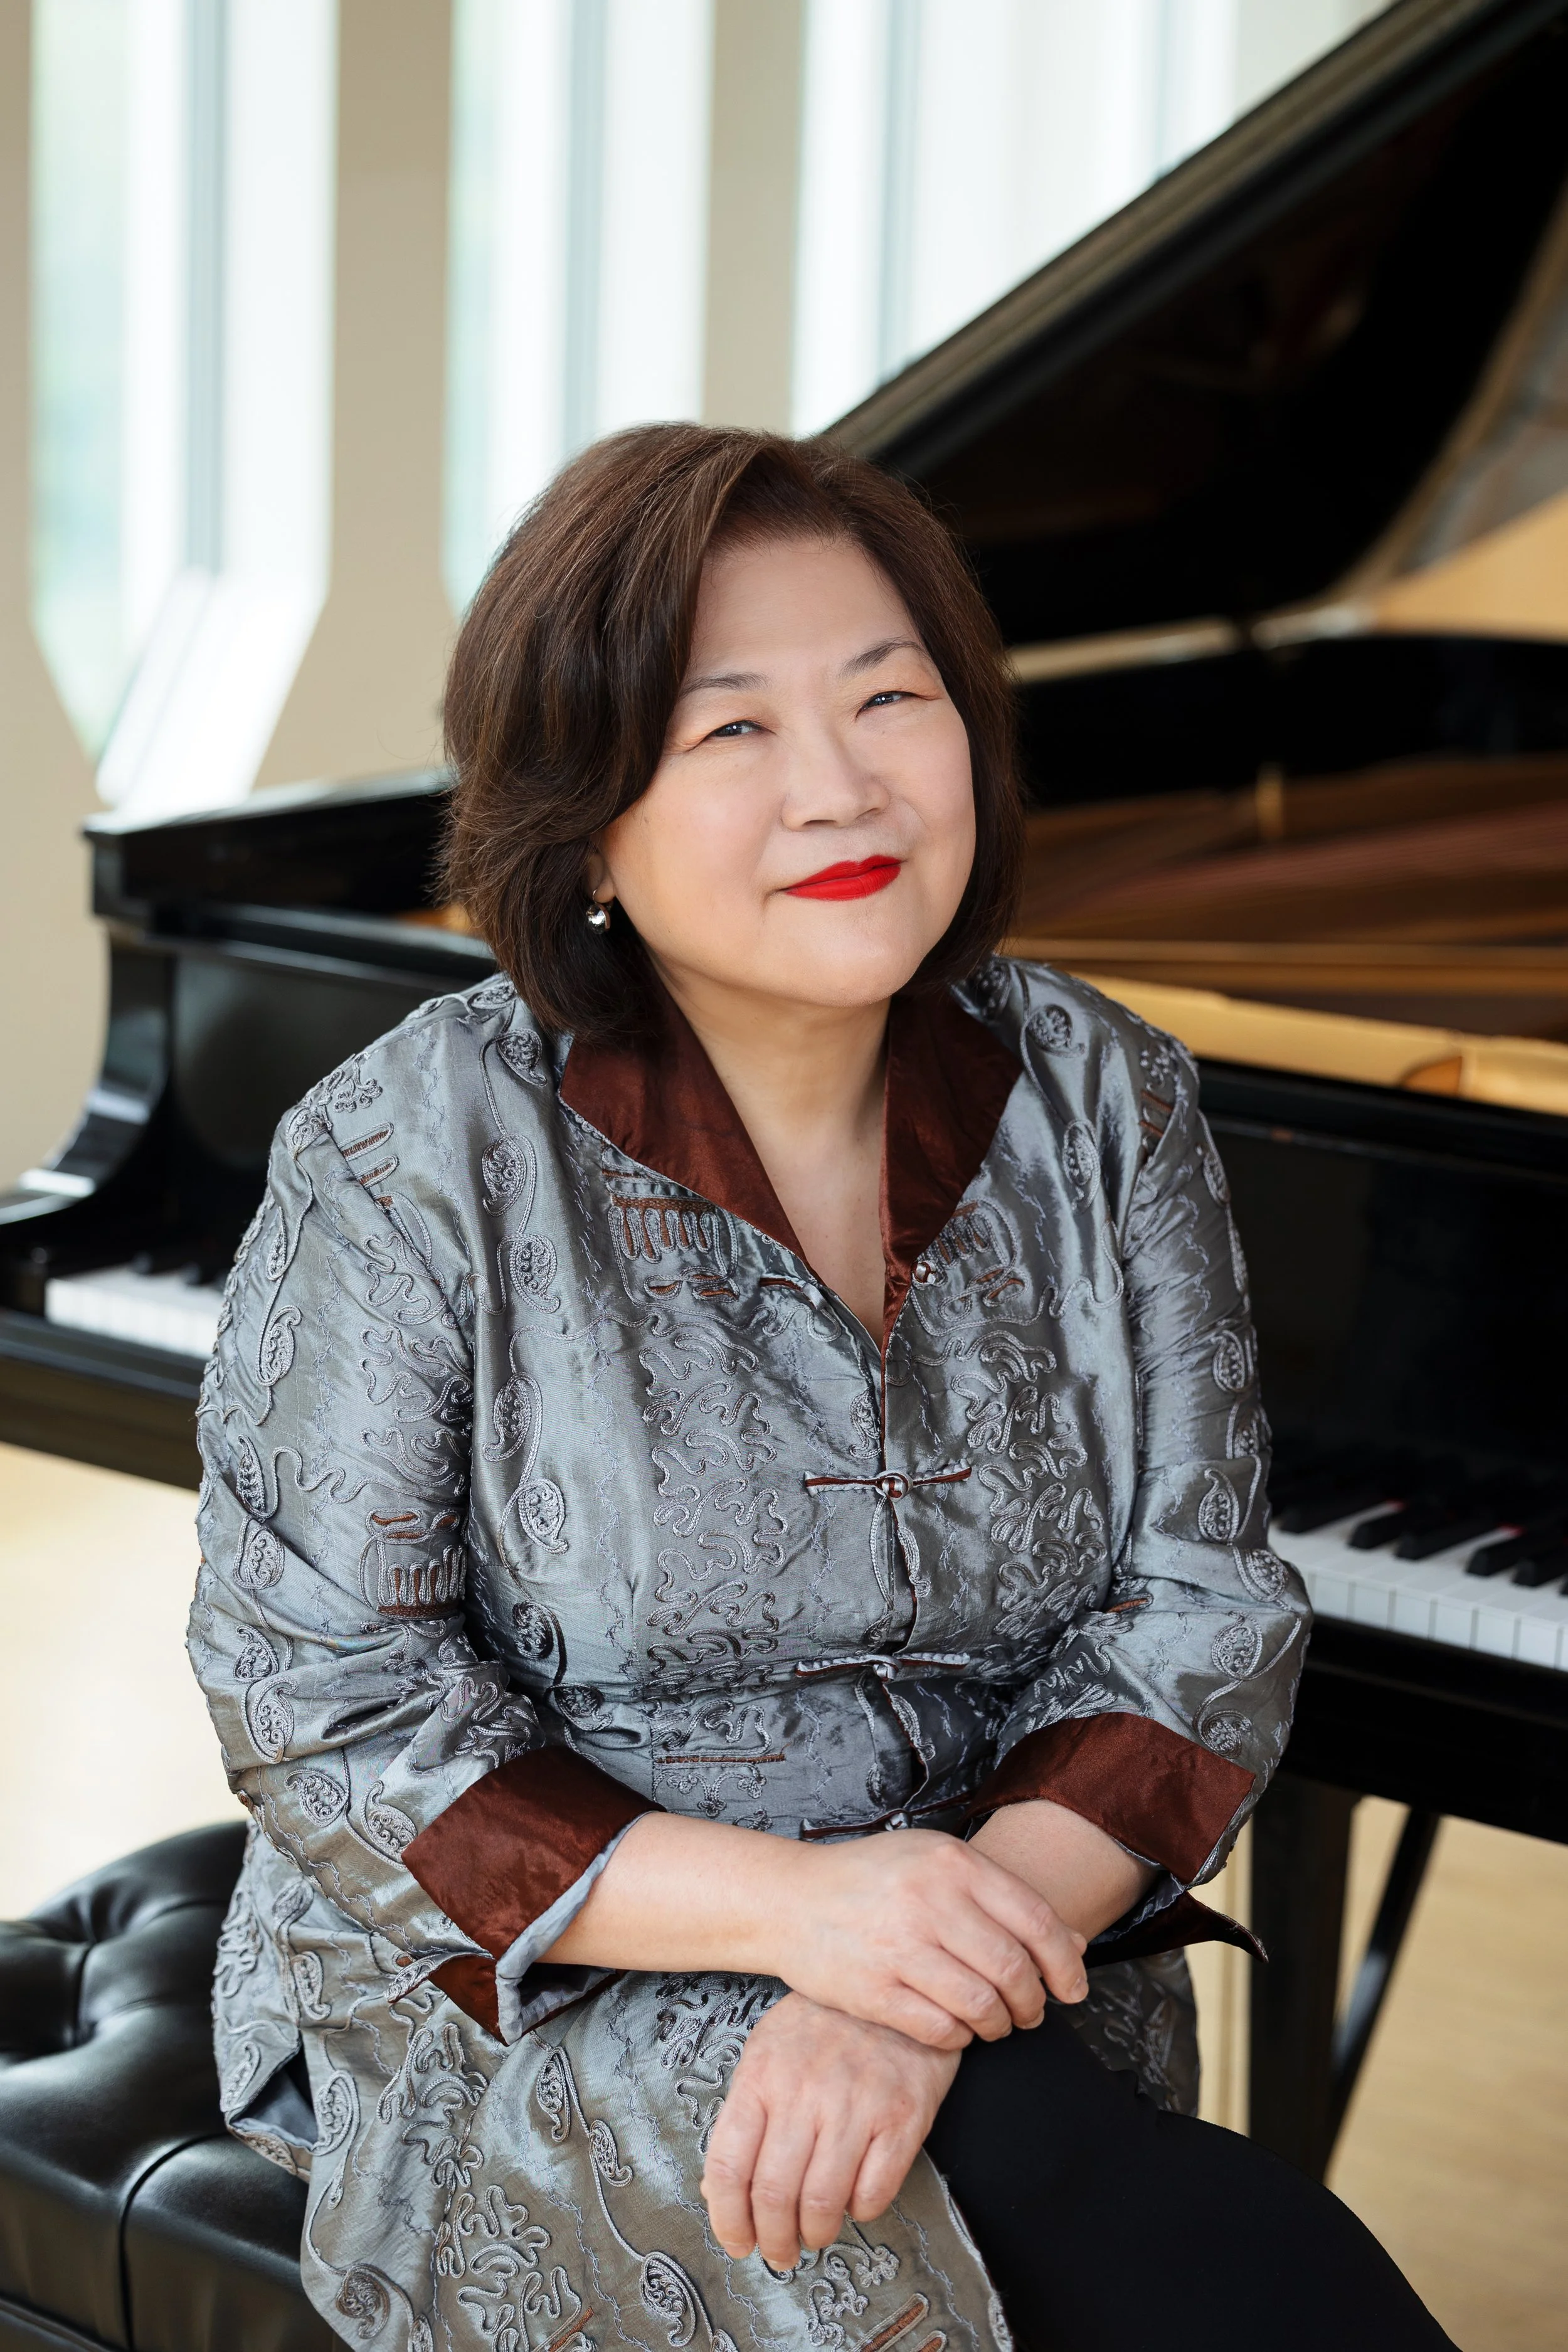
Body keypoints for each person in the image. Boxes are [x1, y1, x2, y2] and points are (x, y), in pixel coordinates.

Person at [188, 424, 1456, 2351]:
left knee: (1078, 2201)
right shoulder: (404, 1153)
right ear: (584, 824)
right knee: (1090, 2242)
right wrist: (794, 1916)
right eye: (731, 733)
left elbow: (1198, 1608)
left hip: (997, 1927)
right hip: (539, 1968)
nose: (842, 785)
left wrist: (892, 1959)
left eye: (888, 697)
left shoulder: (1108, 1097)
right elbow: (327, 1710)